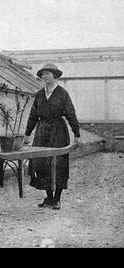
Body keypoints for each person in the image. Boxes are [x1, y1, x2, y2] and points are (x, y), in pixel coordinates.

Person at [24, 63, 83, 210]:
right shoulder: (39, 94)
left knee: (58, 164)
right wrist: (27, 134)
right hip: (42, 131)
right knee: (41, 163)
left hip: (58, 131)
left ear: (55, 75)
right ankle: (49, 197)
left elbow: (71, 114)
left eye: (48, 73)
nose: (45, 76)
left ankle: (57, 199)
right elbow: (32, 116)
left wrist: (77, 134)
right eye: (43, 74)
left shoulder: (62, 94)